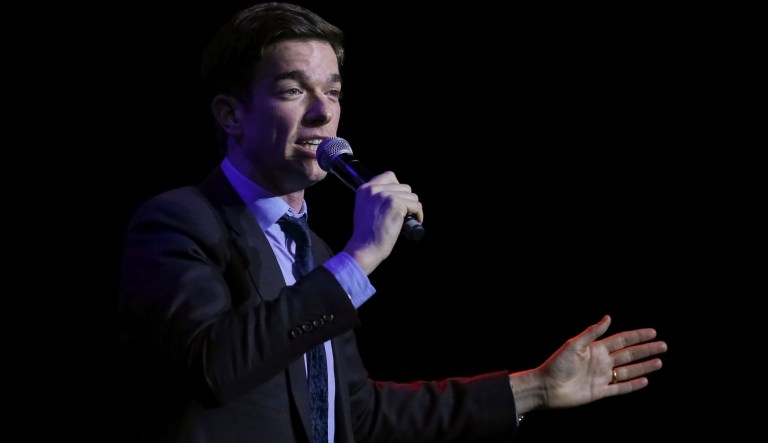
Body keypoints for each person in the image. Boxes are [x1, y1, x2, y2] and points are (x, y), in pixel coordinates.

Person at [117, 2, 668, 442]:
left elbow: (355, 415)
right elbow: (214, 366)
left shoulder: (315, 250)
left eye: (332, 91)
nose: (322, 112)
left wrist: (535, 388)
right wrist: (360, 258)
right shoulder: (179, 222)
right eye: (293, 90)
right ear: (230, 114)